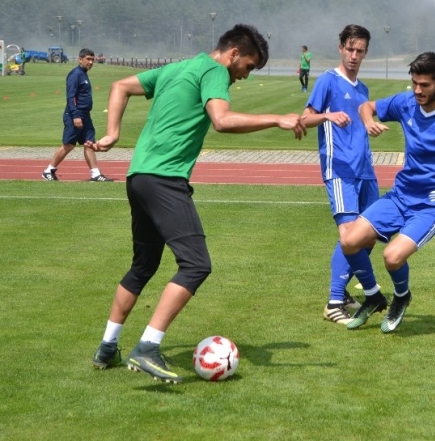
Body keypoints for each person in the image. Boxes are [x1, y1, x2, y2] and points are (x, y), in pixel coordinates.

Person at [88, 24, 306, 382]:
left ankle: (107, 347)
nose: (245, 76)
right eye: (248, 67)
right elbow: (221, 120)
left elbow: (120, 87)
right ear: (234, 54)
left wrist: (113, 133)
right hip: (164, 179)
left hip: (138, 176)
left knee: (143, 266)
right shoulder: (215, 71)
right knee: (195, 265)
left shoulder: (179, 67)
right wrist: (276, 119)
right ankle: (147, 347)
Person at [340, 51, 435, 333]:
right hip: (399, 195)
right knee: (349, 241)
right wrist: (368, 121)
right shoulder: (405, 103)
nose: (418, 90)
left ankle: (402, 296)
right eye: (414, 83)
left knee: (392, 257)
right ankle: (372, 296)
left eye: (425, 85)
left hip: (432, 205)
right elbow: (366, 107)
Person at [302, 25, 378, 325]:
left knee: (370, 235)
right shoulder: (328, 82)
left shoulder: (363, 89)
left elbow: (363, 123)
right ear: (340, 48)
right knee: (349, 236)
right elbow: (305, 119)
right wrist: (328, 116)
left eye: (359, 51)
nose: (354, 55)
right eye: (350, 48)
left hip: (366, 172)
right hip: (340, 170)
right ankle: (334, 301)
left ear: (366, 53)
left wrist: (370, 127)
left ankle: (343, 291)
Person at [42, 48, 112, 182]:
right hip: (75, 115)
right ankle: (49, 170)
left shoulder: (84, 74)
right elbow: (71, 97)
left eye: (92, 59)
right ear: (80, 59)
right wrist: (75, 116)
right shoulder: (75, 74)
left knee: (89, 143)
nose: (91, 62)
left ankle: (95, 174)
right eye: (88, 59)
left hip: (85, 115)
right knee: (69, 145)